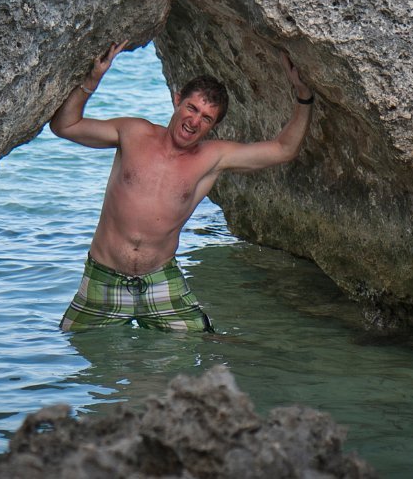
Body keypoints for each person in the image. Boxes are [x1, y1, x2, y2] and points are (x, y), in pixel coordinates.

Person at [49, 40, 313, 333]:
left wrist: (304, 96)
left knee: (201, 344)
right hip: (104, 276)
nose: (194, 121)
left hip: (160, 280)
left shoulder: (213, 157)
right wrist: (92, 81)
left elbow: (283, 149)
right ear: (177, 100)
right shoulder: (134, 132)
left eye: (206, 118)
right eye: (192, 108)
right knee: (74, 342)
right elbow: (65, 126)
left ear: (213, 126)